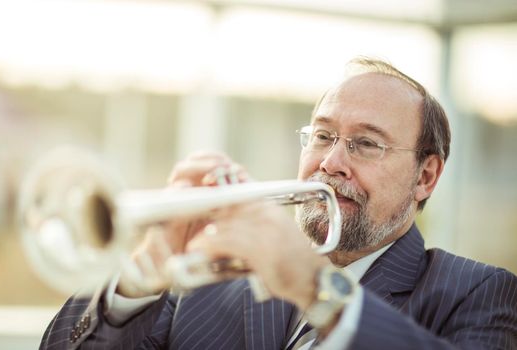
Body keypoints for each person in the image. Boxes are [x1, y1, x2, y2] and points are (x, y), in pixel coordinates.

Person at [40, 58, 517, 349]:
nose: (331, 163)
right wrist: (145, 272)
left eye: (366, 144)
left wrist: (315, 287)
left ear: (426, 176)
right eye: (324, 136)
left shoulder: (478, 292)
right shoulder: (205, 283)